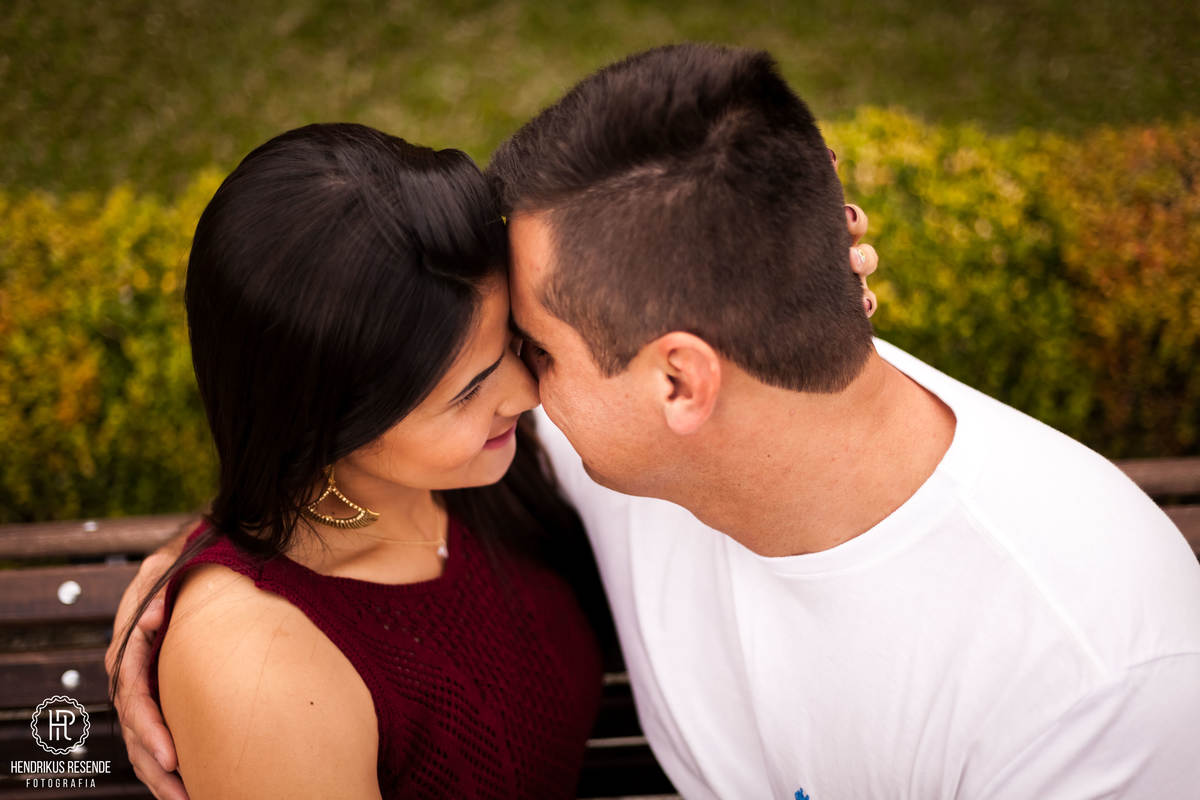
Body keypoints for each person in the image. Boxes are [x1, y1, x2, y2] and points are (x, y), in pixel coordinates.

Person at [116, 41, 1200, 798]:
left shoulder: (1092, 681)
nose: (524, 394)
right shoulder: (625, 440)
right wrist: (204, 579)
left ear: (682, 382)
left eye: (532, 350)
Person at [106, 122, 614, 799]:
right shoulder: (262, 672)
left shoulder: (462, 470)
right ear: (324, 425)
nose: (527, 394)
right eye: (468, 391)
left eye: (514, 342)